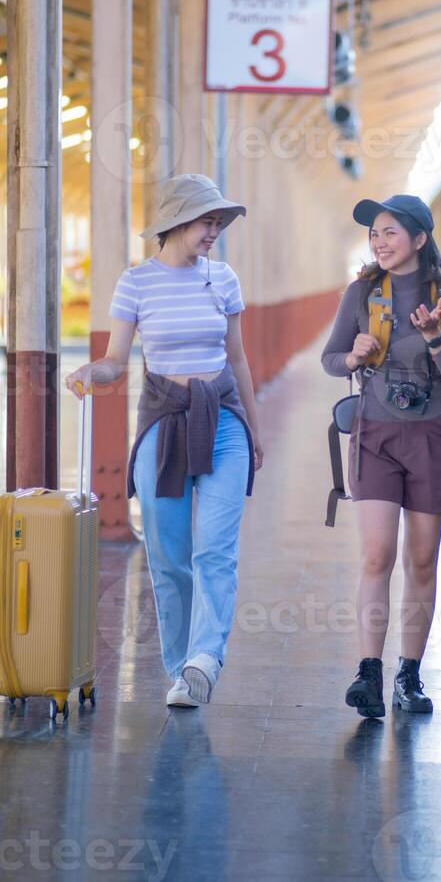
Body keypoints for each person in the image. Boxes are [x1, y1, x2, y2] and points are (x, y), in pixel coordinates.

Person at [66, 174, 263, 708]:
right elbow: (115, 359)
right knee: (168, 553)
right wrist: (93, 372)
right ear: (176, 223)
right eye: (207, 221)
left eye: (218, 222)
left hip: (223, 420)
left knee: (215, 551)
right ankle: (181, 669)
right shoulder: (136, 283)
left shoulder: (223, 279)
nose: (214, 231)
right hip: (163, 424)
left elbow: (239, 358)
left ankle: (205, 658)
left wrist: (255, 427)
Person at [321, 194, 441, 717]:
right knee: (377, 555)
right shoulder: (361, 292)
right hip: (376, 436)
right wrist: (353, 355)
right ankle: (369, 673)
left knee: (422, 560)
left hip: (433, 436)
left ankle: (410, 676)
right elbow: (330, 358)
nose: (379, 242)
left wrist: (435, 339)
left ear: (420, 239)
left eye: (389, 232)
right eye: (374, 234)